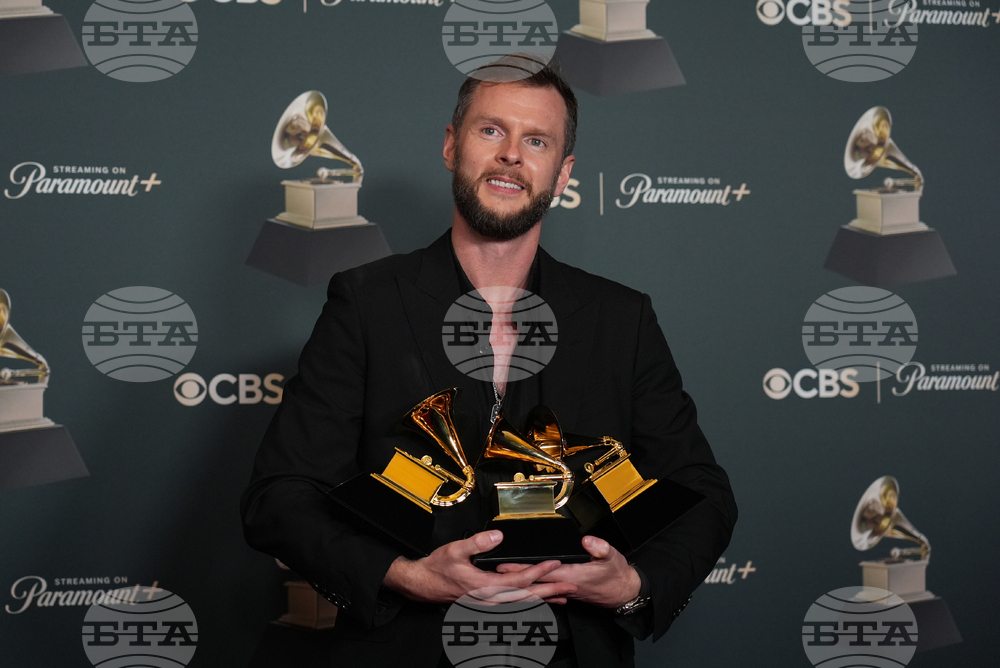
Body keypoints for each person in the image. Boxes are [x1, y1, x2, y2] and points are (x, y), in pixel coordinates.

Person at [241, 60, 736, 668]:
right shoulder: (366, 303)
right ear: (452, 145)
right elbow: (280, 495)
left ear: (563, 172)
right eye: (490, 131)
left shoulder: (620, 318)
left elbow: (703, 493)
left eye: (536, 141)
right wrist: (404, 575)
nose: (511, 156)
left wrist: (634, 585)